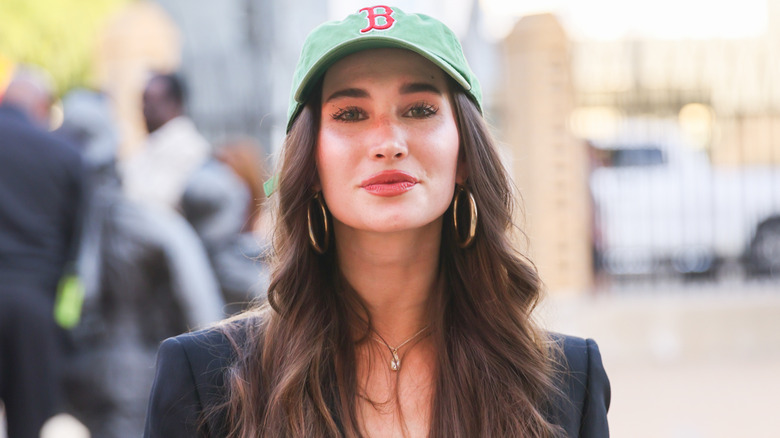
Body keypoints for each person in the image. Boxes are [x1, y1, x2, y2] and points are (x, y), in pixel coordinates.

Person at [144, 5, 610, 438]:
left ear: (464, 155)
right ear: (312, 165)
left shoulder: (567, 379)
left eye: (419, 109)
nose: (388, 142)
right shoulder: (206, 379)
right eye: (350, 114)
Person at [0, 67, 85, 438]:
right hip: (35, 309)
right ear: (42, 104)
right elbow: (78, 245)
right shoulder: (63, 154)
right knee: (30, 422)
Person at [121, 73, 210, 212]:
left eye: (151, 103)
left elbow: (160, 202)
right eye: (143, 103)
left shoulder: (190, 148)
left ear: (175, 103)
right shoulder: (149, 145)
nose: (145, 111)